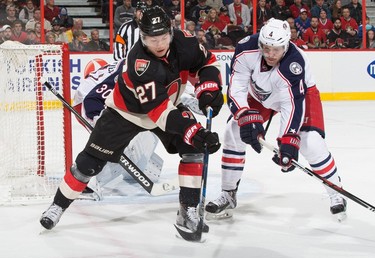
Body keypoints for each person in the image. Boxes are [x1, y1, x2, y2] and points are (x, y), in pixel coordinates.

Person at [39, 6, 224, 236]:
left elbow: (207, 63)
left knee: (193, 150)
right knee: (89, 164)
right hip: (126, 113)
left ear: (171, 30)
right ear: (142, 37)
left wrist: (209, 89)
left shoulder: (185, 42)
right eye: (151, 39)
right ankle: (57, 205)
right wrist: (194, 131)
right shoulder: (140, 64)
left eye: (164, 37)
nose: (159, 44)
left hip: (167, 105)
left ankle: (187, 210)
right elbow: (159, 113)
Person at [205, 18, 347, 222]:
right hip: (260, 94)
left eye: (276, 49)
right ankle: (228, 193)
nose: (270, 54)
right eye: (266, 48)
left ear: (286, 44)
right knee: (233, 131)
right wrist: (246, 116)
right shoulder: (246, 49)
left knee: (310, 142)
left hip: (300, 95)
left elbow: (291, 103)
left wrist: (288, 139)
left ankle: (336, 192)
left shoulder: (294, 62)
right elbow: (236, 88)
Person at [72, 59, 164, 200]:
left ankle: (140, 164)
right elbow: (91, 100)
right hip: (87, 104)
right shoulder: (118, 70)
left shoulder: (118, 70)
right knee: (103, 143)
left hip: (93, 102)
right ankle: (88, 182)